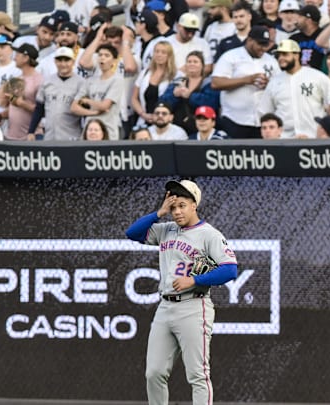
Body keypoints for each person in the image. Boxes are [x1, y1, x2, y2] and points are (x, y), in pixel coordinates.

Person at [126, 179, 237, 405]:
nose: (177, 212)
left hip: (194, 306)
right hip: (165, 307)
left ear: (194, 205)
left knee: (197, 374)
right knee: (154, 373)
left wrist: (194, 280)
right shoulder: (166, 230)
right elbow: (132, 233)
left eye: (182, 205)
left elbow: (230, 269)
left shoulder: (209, 234)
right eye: (174, 207)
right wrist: (160, 212)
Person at [258, 39, 330, 138]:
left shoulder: (315, 75)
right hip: (285, 139)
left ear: (296, 55)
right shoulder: (274, 82)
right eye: (278, 55)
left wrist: (327, 126)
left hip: (313, 136)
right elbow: (265, 112)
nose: (281, 58)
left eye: (285, 54)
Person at [212, 26, 280, 138]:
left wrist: (269, 84)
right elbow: (216, 83)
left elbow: (279, 87)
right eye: (260, 44)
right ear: (249, 40)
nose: (263, 48)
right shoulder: (230, 56)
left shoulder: (271, 61)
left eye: (266, 44)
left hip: (262, 121)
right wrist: (246, 80)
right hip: (234, 119)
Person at [29, 47, 85, 141]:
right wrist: (31, 131)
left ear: (73, 62)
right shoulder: (47, 82)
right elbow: (39, 109)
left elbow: (85, 112)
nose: (63, 64)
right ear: (55, 61)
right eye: (60, 60)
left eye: (67, 60)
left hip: (73, 137)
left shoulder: (81, 83)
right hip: (50, 136)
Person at [159, 51, 221, 135]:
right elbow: (162, 103)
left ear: (202, 65)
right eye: (189, 61)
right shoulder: (177, 82)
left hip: (201, 127)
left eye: (195, 62)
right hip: (178, 128)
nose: (192, 64)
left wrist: (190, 96)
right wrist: (174, 95)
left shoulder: (208, 83)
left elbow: (211, 103)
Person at [71, 43, 125, 139]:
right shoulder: (90, 80)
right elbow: (74, 107)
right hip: (89, 131)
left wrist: (87, 101)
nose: (102, 58)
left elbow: (105, 106)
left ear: (114, 60)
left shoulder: (117, 80)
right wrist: (93, 113)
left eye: (107, 55)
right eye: (100, 55)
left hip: (108, 131)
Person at [4, 44, 44, 141]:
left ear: (26, 58)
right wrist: (1, 115)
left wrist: (21, 103)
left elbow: (42, 110)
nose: (14, 58)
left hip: (31, 136)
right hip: (11, 136)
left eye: (17, 54)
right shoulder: (17, 79)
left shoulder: (39, 80)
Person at [132, 41, 177, 127]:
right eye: (157, 51)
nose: (159, 55)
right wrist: (143, 114)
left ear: (169, 56)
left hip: (164, 122)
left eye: (163, 52)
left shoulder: (175, 75)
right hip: (144, 120)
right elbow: (134, 98)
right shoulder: (145, 72)